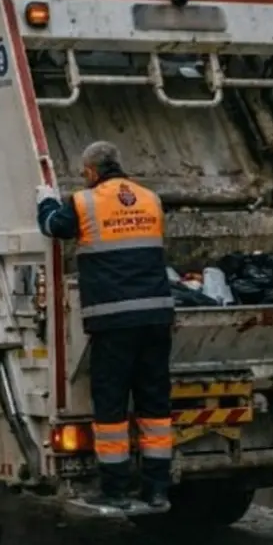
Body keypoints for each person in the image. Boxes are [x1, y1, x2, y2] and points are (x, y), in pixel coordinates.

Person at [35, 140, 175, 512]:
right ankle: (157, 489)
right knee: (155, 405)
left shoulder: (84, 202)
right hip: (158, 316)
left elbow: (53, 226)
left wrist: (46, 199)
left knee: (112, 406)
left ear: (92, 172)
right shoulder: (150, 199)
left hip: (114, 320)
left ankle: (115, 490)